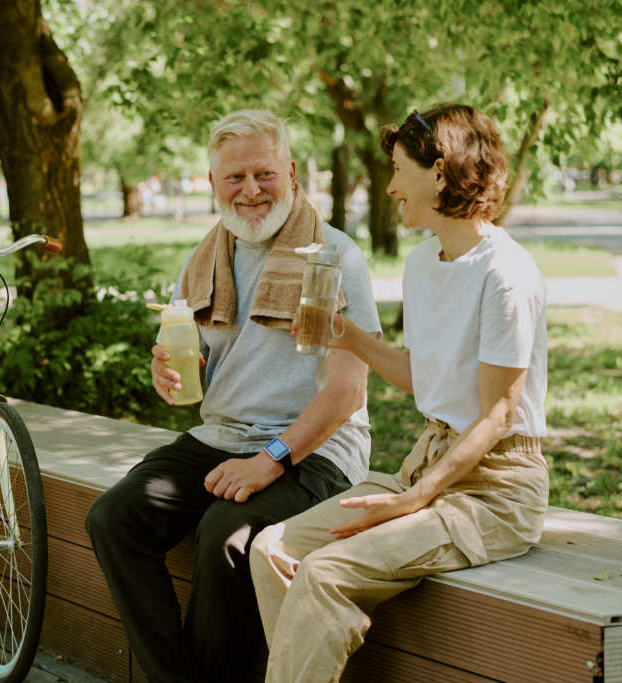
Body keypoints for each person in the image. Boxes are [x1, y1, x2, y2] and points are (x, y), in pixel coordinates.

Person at [250, 103, 550, 682]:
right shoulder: (422, 260)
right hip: (426, 465)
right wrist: (351, 337)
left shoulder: (506, 275)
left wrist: (412, 502)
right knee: (272, 550)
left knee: (323, 572)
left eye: (398, 169)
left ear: (440, 173)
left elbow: (496, 416)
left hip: (494, 490)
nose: (389, 187)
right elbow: (425, 378)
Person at [85, 110, 382, 683]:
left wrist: (269, 463)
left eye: (263, 174)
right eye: (234, 178)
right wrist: (165, 373)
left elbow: (347, 392)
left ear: (291, 173)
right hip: (220, 435)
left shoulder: (335, 256)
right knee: (112, 517)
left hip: (315, 449)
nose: (250, 191)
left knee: (227, 534)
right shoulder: (203, 260)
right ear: (215, 182)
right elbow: (183, 364)